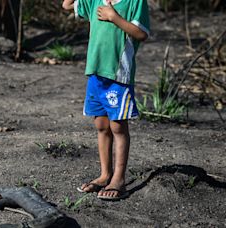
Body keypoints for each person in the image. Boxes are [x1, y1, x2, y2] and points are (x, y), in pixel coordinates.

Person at [62, 0, 150, 200]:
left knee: (118, 127)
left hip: (118, 76)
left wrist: (114, 17)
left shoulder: (135, 2)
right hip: (95, 74)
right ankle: (105, 175)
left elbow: (142, 33)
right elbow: (67, 5)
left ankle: (118, 179)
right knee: (102, 126)